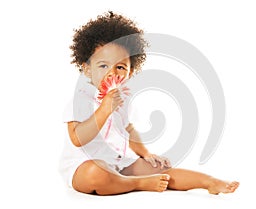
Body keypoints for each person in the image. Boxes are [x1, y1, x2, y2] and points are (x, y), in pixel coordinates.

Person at [59, 11, 239, 196]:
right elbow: (77, 138)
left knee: (160, 170)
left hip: (117, 161)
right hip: (84, 164)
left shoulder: (122, 98)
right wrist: (105, 109)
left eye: (120, 67)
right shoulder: (81, 99)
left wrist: (145, 154)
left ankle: (208, 181)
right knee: (96, 174)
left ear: (130, 72)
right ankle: (137, 184)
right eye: (103, 66)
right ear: (87, 69)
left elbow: (128, 129)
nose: (112, 73)